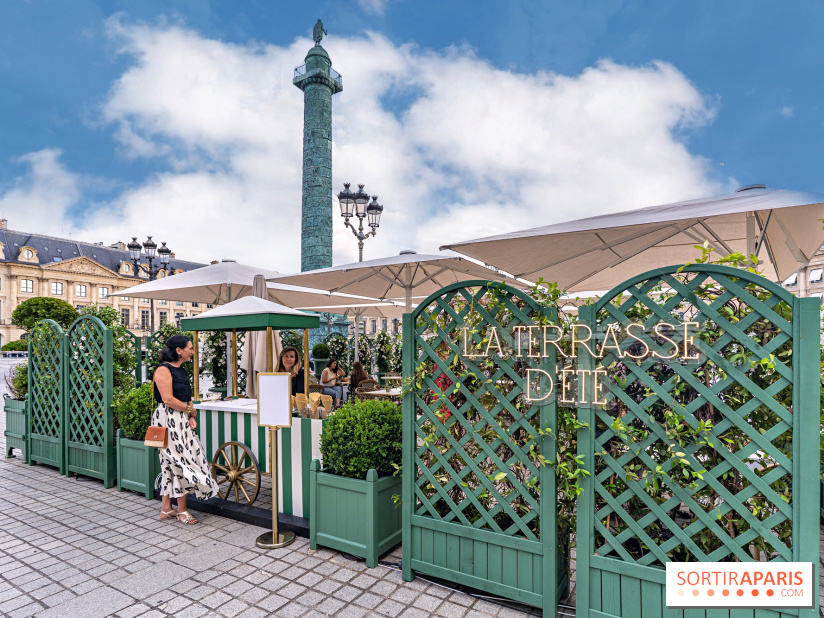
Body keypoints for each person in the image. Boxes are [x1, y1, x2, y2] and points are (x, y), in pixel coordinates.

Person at [152, 335, 217, 524]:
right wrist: (190, 410)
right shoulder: (163, 370)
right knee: (181, 461)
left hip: (181, 418)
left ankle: (166, 508)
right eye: (189, 348)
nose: (192, 351)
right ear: (178, 350)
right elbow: (168, 399)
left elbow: (186, 395)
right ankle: (182, 510)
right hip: (168, 418)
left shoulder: (181, 370)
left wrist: (191, 416)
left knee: (172, 462)